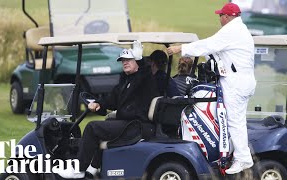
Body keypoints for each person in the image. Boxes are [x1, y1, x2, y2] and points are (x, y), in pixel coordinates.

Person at [166, 2, 256, 174]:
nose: (219, 19)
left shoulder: (232, 30)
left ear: (228, 17)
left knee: (234, 122)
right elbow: (214, 50)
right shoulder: (240, 30)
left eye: (220, 16)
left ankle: (243, 159)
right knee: (235, 121)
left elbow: (209, 44)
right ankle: (234, 155)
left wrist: (181, 48)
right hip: (241, 80)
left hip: (236, 82)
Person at [58, 41, 159, 179]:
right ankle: (93, 168)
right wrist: (98, 104)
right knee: (104, 124)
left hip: (136, 125)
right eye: (123, 60)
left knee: (92, 127)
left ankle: (78, 170)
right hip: (128, 123)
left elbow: (145, 74)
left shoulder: (144, 79)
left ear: (137, 62)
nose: (125, 62)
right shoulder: (126, 81)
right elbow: (112, 99)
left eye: (129, 59)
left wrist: (142, 60)